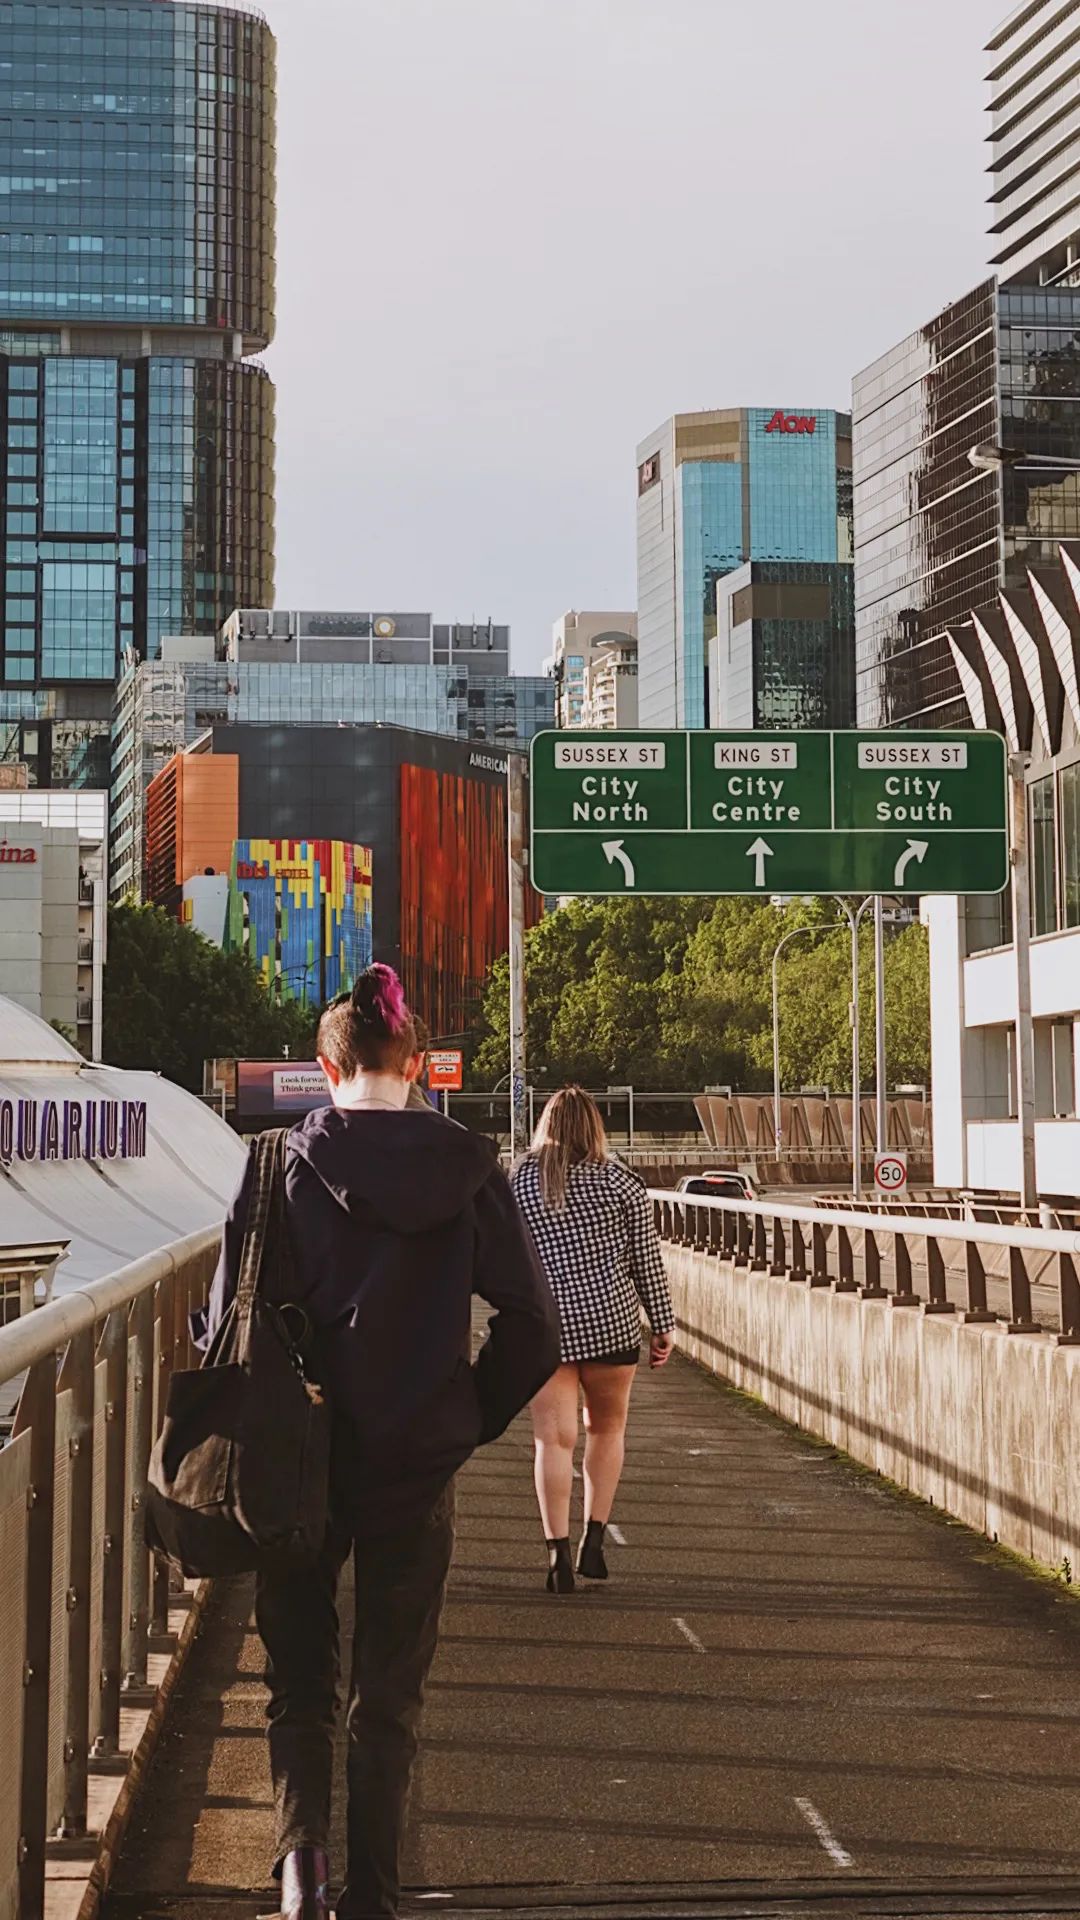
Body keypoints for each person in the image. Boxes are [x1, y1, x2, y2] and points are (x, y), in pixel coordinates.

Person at [202, 966, 560, 1920]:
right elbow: (533, 1325)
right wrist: (465, 1417)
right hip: (416, 1463)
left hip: (295, 1463)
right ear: (419, 1063)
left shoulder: (276, 1163)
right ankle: (373, 1899)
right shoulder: (472, 1167)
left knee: (299, 1685)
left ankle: (301, 1878)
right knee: (388, 1695)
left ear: (327, 1067)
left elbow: (222, 1318)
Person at [510, 1086, 676, 1594]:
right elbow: (646, 1262)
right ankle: (595, 1541)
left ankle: (556, 1555)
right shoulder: (623, 1184)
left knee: (552, 1440)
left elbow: (503, 1255)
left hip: (547, 1329)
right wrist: (663, 1323)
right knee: (606, 1431)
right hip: (611, 1321)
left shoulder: (519, 1180)